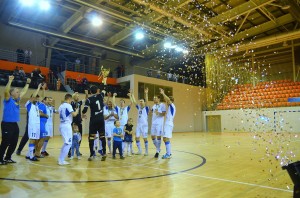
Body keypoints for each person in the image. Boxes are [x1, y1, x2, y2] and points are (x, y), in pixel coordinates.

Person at [0, 76, 30, 165]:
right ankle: (0, 159)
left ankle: (8, 157)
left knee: (14, 142)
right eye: (16, 91)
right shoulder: (8, 100)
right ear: (12, 93)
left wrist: (27, 83)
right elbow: (6, 91)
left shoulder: (17, 99)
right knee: (5, 142)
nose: (18, 93)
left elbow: (24, 91)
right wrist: (9, 81)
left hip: (14, 125)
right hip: (7, 124)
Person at [82, 85, 107, 161]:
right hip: (101, 119)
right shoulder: (101, 96)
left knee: (91, 137)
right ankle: (104, 153)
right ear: (97, 91)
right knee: (102, 136)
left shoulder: (89, 100)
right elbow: (104, 90)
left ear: (90, 92)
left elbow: (84, 110)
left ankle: (92, 154)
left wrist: (83, 113)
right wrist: (104, 83)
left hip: (94, 120)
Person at [25, 84, 46, 161]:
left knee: (34, 140)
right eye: (36, 98)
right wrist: (38, 87)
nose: (37, 99)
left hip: (37, 125)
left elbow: (42, 97)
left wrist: (43, 89)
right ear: (32, 98)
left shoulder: (36, 104)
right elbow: (33, 96)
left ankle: (28, 154)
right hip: (33, 125)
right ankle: (31, 156)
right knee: (32, 139)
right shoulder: (29, 104)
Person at [57, 94, 79, 165]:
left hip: (62, 124)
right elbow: (74, 114)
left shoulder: (61, 106)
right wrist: (77, 110)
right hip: (66, 125)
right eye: (71, 100)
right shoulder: (68, 105)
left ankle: (60, 158)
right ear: (69, 99)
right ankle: (61, 160)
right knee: (68, 143)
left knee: (66, 143)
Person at [67, 91, 88, 157]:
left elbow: (85, 99)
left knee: (79, 137)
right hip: (74, 123)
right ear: (74, 97)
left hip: (79, 122)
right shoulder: (72, 103)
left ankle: (77, 150)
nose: (78, 97)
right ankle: (70, 151)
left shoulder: (79, 103)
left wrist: (86, 94)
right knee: (73, 137)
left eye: (78, 96)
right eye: (77, 96)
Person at [131, 88, 149, 156]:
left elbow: (147, 101)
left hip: (144, 125)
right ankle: (139, 150)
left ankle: (146, 151)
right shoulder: (139, 107)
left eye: (142, 101)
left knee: (145, 138)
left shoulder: (146, 108)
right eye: (140, 101)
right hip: (138, 124)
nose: (140, 102)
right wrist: (132, 94)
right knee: (136, 137)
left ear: (144, 102)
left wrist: (146, 93)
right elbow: (134, 101)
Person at [159, 88, 176, 159]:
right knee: (165, 139)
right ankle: (169, 153)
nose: (166, 102)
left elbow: (168, 100)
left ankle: (168, 154)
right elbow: (167, 100)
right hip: (168, 123)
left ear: (171, 101)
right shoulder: (170, 107)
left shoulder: (172, 106)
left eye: (168, 100)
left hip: (168, 123)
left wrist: (163, 93)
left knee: (166, 139)